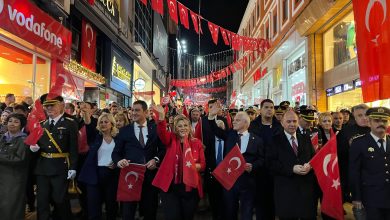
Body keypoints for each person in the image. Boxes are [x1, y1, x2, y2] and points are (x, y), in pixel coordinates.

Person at [112, 100, 165, 220]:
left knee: (150, 211)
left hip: (150, 177)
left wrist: (156, 159)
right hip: (129, 177)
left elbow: (162, 149)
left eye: (137, 110)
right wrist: (119, 161)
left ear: (146, 112)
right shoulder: (125, 130)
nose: (133, 113)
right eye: (132, 110)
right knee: (127, 213)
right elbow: (115, 153)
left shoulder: (155, 129)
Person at [152, 105, 205, 220]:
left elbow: (203, 164)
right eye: (179, 126)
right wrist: (161, 117)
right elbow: (162, 133)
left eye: (185, 125)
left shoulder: (197, 143)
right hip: (171, 188)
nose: (183, 128)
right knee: (173, 216)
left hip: (190, 187)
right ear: (175, 129)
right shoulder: (171, 140)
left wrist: (194, 166)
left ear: (189, 127)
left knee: (187, 216)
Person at [29, 95, 79, 220]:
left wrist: (73, 167)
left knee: (60, 200)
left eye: (53, 105)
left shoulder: (70, 124)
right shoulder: (41, 124)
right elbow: (36, 145)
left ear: (61, 105)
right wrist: (33, 149)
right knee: (42, 201)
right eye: (47, 105)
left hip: (60, 167)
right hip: (42, 168)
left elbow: (73, 148)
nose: (49, 108)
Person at [210, 110, 265, 220]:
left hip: (248, 182)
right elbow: (215, 130)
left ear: (245, 123)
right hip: (230, 182)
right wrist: (211, 116)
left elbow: (262, 159)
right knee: (230, 212)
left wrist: (253, 166)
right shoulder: (229, 135)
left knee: (247, 213)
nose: (234, 122)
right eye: (234, 120)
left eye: (237, 120)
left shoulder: (257, 139)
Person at [267, 110, 317, 219]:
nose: (292, 124)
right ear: (282, 123)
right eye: (288, 121)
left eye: (294, 121)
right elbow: (271, 164)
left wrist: (310, 166)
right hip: (285, 191)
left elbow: (314, 158)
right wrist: (291, 169)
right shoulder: (274, 140)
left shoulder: (306, 139)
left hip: (306, 191)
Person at [349, 107, 390, 220]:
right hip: (371, 197)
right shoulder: (359, 143)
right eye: (377, 120)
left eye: (384, 121)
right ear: (369, 122)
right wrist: (356, 197)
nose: (381, 123)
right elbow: (354, 172)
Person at [79, 113, 119, 220]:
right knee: (93, 206)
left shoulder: (118, 138)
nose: (103, 124)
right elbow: (88, 125)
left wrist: (117, 162)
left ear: (112, 124)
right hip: (95, 174)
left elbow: (122, 154)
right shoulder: (95, 136)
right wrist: (86, 112)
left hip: (112, 175)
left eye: (106, 122)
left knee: (111, 206)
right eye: (101, 122)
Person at [249, 99, 283, 220]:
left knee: (273, 202)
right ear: (260, 110)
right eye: (266, 107)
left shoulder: (279, 126)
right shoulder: (253, 126)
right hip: (258, 170)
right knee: (260, 203)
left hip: (274, 171)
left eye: (271, 107)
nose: (269, 110)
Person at [337, 104, 370, 203]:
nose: (364, 118)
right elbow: (341, 154)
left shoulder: (376, 129)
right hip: (354, 174)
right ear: (354, 117)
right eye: (360, 115)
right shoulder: (346, 131)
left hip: (374, 175)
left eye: (366, 115)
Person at [202, 99, 228, 220]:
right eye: (210, 107)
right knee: (213, 198)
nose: (213, 109)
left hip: (225, 169)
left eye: (215, 107)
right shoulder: (203, 121)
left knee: (225, 200)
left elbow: (224, 135)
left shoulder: (223, 121)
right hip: (210, 164)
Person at [0, 113, 30, 220]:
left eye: (16, 122)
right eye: (10, 121)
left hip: (14, 178)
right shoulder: (2, 137)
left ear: (22, 125)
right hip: (2, 177)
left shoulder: (24, 140)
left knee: (11, 205)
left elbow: (19, 159)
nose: (12, 124)